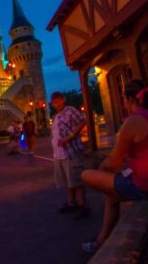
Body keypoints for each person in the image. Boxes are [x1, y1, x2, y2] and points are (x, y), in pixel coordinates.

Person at [80, 80, 148, 253]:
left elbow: (113, 162)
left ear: (131, 99)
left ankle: (100, 240)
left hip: (147, 185)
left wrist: (101, 169)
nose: (124, 104)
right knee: (112, 196)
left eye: (124, 100)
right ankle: (102, 239)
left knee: (86, 175)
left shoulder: (134, 121)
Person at [50, 91, 90, 220]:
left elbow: (82, 121)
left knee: (76, 179)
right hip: (59, 154)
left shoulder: (70, 110)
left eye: (58, 100)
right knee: (69, 180)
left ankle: (83, 205)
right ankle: (71, 203)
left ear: (63, 100)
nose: (56, 104)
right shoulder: (56, 116)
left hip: (71, 151)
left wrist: (70, 137)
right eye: (54, 102)